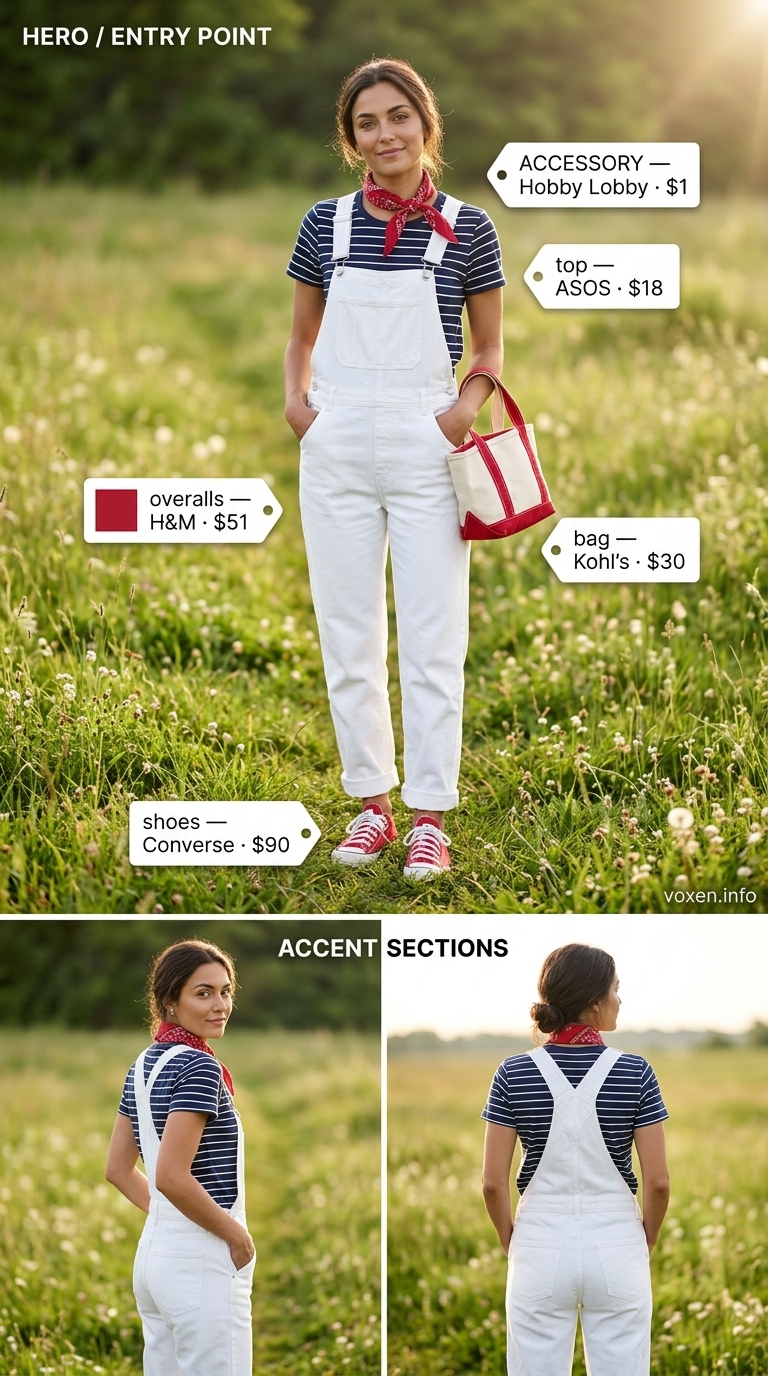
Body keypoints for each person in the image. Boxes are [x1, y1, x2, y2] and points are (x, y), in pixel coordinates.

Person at [284, 57, 505, 879]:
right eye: (366, 123)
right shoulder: (323, 224)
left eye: (397, 117)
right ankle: (371, 804)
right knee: (347, 633)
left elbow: (487, 347)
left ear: (425, 122)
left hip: (426, 443)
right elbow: (301, 336)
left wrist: (459, 412)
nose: (385, 135)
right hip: (335, 441)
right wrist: (298, 408)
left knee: (434, 638)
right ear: (351, 139)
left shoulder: (469, 227)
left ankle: (430, 817)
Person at [481, 943, 670, 1376]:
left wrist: (513, 1240)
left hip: (538, 1244)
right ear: (593, 1002)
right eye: (616, 990)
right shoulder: (636, 1071)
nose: (620, 1000)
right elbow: (658, 1183)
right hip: (618, 1245)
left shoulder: (512, 1072)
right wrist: (646, 1240)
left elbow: (493, 1183)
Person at [105, 939, 256, 1376]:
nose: (220, 1004)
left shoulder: (142, 1064)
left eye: (225, 991)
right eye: (203, 993)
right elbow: (170, 1176)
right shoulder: (199, 1067)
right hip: (198, 1261)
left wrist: (170, 1219)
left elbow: (117, 1170)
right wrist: (237, 1236)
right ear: (169, 1001)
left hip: (154, 1258)